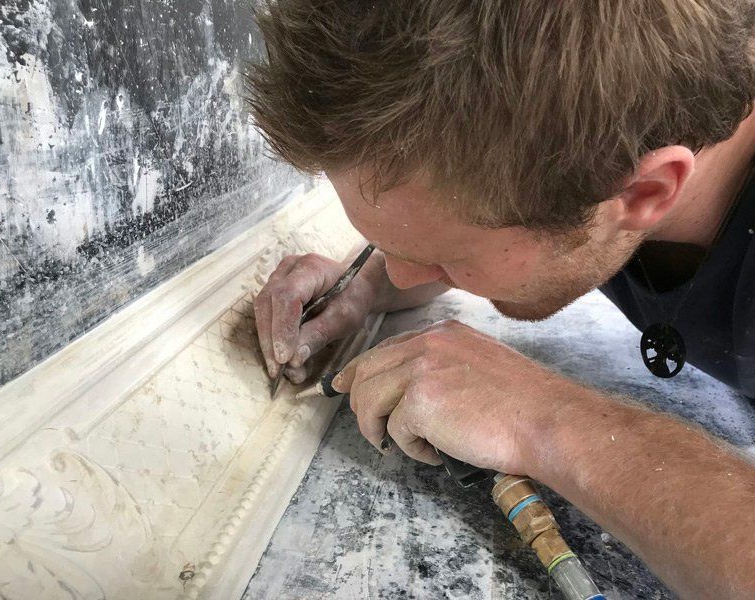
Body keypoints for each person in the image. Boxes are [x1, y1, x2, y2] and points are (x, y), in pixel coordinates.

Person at [247, 2, 755, 597]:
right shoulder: (608, 140)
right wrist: (368, 283)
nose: (410, 277)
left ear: (644, 192)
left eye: (448, 256)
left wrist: (548, 421)